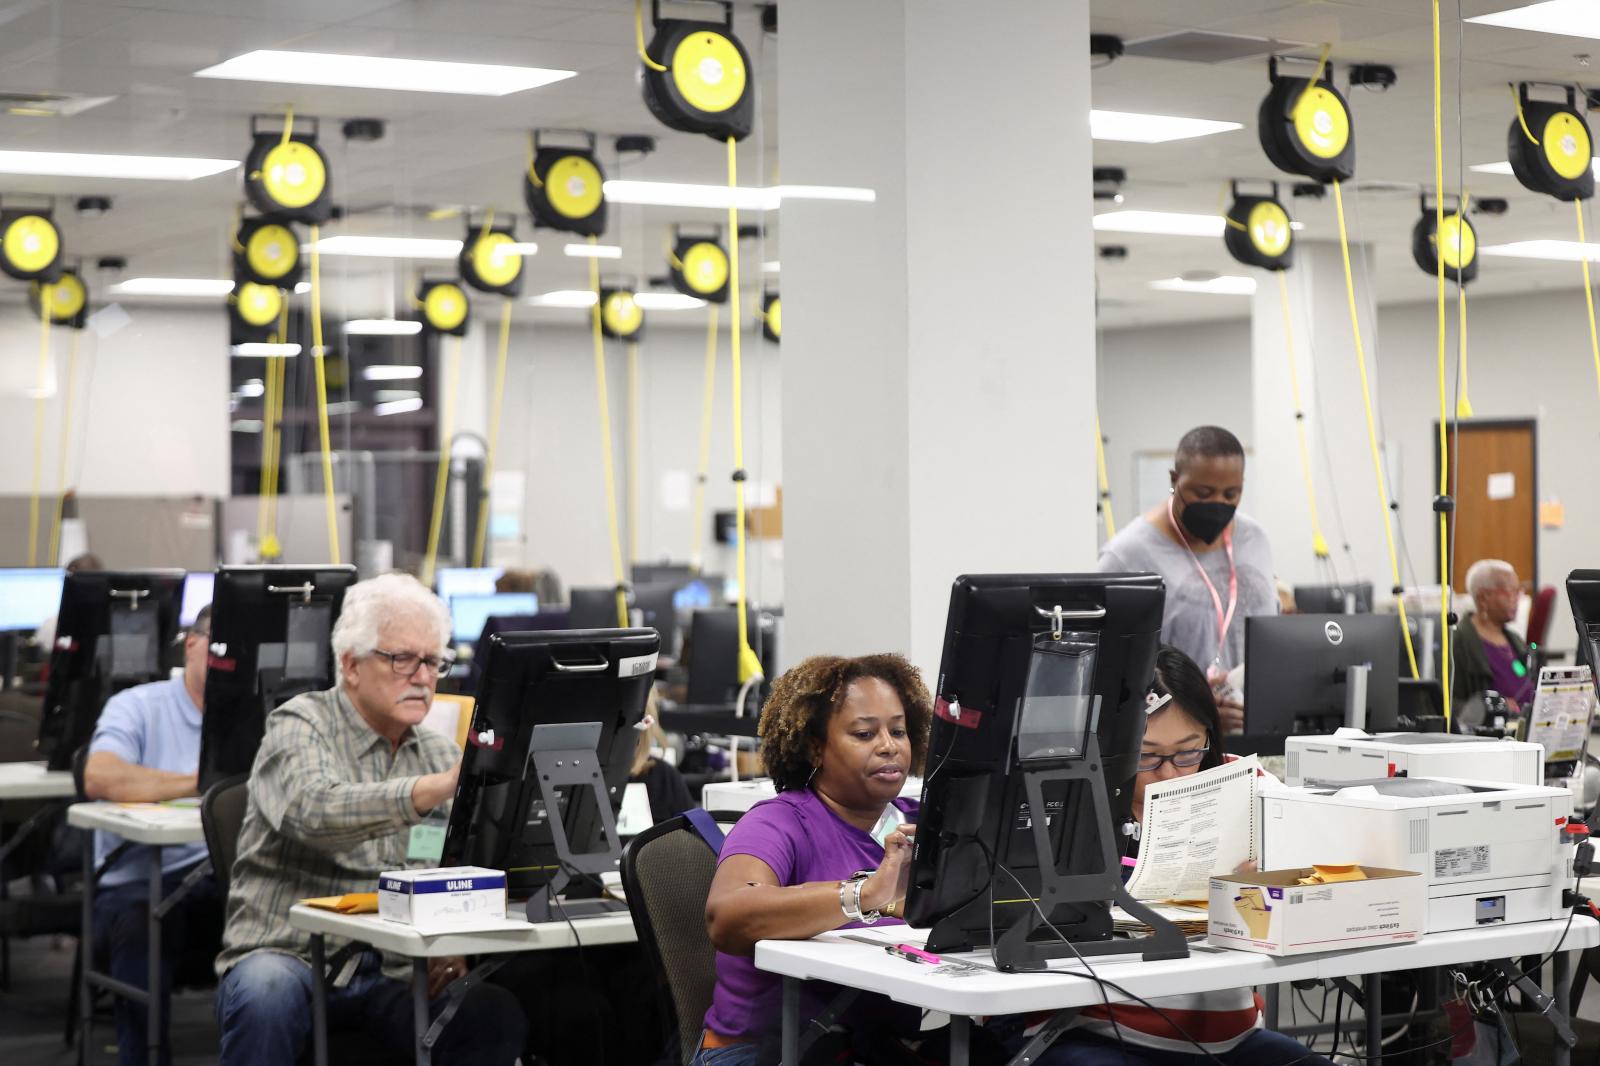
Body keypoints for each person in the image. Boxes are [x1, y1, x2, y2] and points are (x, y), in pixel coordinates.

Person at [214, 573, 526, 1066]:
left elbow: (453, 865)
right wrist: (430, 790)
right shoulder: (299, 726)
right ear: (351, 665)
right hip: (291, 955)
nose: (423, 677)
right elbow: (313, 809)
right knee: (264, 993)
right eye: (403, 659)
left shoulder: (439, 753)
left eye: (433, 662)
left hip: (397, 970)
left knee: (491, 1011)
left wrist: (456, 939)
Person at [1013, 647, 1330, 1066]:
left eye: (1187, 752)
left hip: (1232, 1038)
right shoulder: (1074, 806)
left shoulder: (1249, 787)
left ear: (1209, 738)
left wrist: (1278, 878)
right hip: (1096, 1030)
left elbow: (1321, 872)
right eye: (1145, 756)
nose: (1167, 774)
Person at [695, 654, 932, 1064]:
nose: (889, 746)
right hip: (761, 1051)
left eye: (898, 730)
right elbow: (727, 917)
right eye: (864, 734)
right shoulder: (778, 822)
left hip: (880, 1046)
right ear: (815, 747)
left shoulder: (922, 823)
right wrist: (864, 895)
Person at [83, 605, 223, 1066]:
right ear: (192, 645)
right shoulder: (139, 705)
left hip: (222, 878)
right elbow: (101, 777)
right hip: (137, 884)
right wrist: (208, 782)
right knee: (145, 921)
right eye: (219, 649)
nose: (227, 664)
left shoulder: (261, 714)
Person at [1098, 426, 1278, 733]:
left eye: (1231, 494)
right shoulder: (1127, 556)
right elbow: (1107, 668)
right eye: (1203, 493)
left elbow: (1272, 636)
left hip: (1257, 729)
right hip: (1176, 743)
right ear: (1174, 480)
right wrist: (1195, 712)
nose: (1218, 503)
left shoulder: (1254, 538)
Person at [1451, 559, 1534, 717]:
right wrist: (1494, 707)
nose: (1518, 598)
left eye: (1519, 591)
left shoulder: (1514, 639)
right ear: (1484, 597)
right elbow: (1448, 704)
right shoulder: (1459, 642)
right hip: (1495, 735)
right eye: (1512, 591)